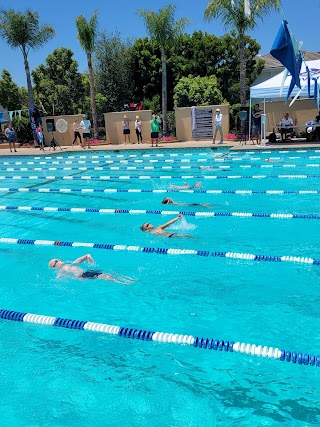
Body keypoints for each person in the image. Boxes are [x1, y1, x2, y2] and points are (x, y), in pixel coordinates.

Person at [48, 254, 133, 284]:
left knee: (108, 273)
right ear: (55, 266)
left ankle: (126, 278)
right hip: (84, 275)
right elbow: (58, 278)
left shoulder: (69, 264)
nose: (59, 260)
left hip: (87, 272)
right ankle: (123, 282)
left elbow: (78, 260)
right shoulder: (61, 270)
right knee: (104, 276)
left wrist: (86, 256)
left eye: (57, 259)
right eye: (56, 261)